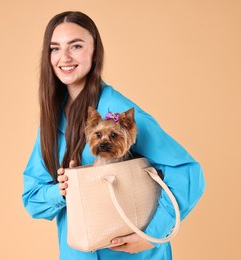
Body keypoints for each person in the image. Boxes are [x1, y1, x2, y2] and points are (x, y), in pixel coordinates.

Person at [22, 11, 205, 260]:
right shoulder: (53, 119)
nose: (64, 57)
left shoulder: (116, 110)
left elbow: (187, 172)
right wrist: (62, 190)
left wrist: (152, 234)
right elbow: (32, 197)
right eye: (55, 49)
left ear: (95, 51)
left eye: (76, 46)